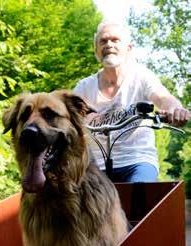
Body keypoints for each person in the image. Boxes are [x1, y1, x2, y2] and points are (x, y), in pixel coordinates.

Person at [73, 21, 190, 183]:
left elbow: (164, 98)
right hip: (96, 165)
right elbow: (67, 114)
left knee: (139, 194)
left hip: (137, 159)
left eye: (115, 40)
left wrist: (175, 109)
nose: (109, 44)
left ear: (129, 49)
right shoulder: (84, 87)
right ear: (96, 51)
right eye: (103, 41)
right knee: (83, 200)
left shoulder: (141, 76)